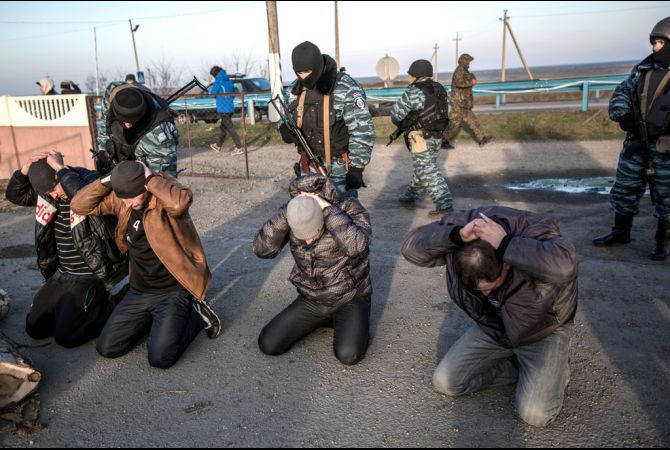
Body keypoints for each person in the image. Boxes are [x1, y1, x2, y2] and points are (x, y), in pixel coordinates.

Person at [402, 206, 578, 427]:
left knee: (536, 415)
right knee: (446, 382)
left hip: (543, 329)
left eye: (490, 287)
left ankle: (556, 372)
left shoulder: (532, 228)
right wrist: (455, 235)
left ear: (505, 263)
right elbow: (411, 250)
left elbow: (565, 266)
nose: (485, 294)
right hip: (496, 327)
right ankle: (521, 370)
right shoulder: (466, 226)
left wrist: (506, 244)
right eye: (479, 291)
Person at [70, 160, 221, 368]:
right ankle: (156, 323)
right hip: (138, 291)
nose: (128, 203)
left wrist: (151, 178)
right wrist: (107, 180)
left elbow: (180, 203)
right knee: (107, 348)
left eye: (132, 197)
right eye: (123, 198)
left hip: (172, 291)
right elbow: (78, 205)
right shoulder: (123, 200)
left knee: (160, 358)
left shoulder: (163, 198)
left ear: (144, 186)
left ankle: (196, 316)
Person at [4, 151, 126, 348]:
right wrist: (27, 167)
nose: (52, 195)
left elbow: (82, 196)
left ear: (60, 174)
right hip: (62, 274)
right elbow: (14, 195)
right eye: (47, 193)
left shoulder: (88, 181)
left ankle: (114, 300)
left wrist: (62, 170)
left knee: (68, 336)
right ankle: (73, 307)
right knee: (35, 328)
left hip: (90, 273)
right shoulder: (48, 192)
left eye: (54, 189)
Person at [253, 174, 372, 365]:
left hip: (349, 298)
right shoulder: (294, 211)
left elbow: (357, 246)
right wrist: (287, 213)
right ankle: (323, 319)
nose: (307, 241)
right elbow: (262, 250)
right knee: (269, 344)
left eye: (313, 234)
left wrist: (328, 209)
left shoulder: (348, 207)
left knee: (348, 355)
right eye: (302, 236)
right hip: (312, 299)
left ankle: (347, 321)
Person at [592, 17, 670, 261]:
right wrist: (622, 114)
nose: (654, 48)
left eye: (659, 42)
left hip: (666, 147)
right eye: (653, 42)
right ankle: (620, 231)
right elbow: (621, 92)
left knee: (666, 195)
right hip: (636, 142)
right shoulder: (643, 69)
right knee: (625, 188)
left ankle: (663, 242)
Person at [279, 41, 375, 198]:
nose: (303, 77)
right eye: (299, 73)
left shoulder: (345, 88)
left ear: (317, 65)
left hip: (339, 170)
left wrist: (357, 168)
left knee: (340, 218)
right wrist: (283, 128)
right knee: (308, 217)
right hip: (307, 167)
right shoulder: (295, 90)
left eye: (307, 72)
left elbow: (362, 129)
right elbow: (285, 117)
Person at [391, 59, 454, 217]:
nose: (408, 78)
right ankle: (410, 196)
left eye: (410, 75)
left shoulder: (414, 91)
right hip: (437, 136)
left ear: (416, 75)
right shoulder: (440, 89)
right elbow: (448, 109)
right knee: (423, 167)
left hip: (419, 137)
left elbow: (396, 114)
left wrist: (403, 122)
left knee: (427, 169)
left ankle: (444, 204)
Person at [100, 84, 180, 177]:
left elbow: (164, 183)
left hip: (138, 181)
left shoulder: (160, 138)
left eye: (133, 121)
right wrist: (103, 148)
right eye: (124, 120)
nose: (128, 126)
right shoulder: (113, 93)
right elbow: (105, 122)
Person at [442, 54, 492, 149]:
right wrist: (471, 82)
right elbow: (459, 83)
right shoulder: (459, 71)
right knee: (454, 123)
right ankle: (443, 141)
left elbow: (471, 79)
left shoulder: (465, 71)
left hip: (464, 102)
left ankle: (481, 139)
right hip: (458, 103)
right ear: (463, 61)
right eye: (468, 61)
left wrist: (472, 79)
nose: (469, 63)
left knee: (473, 121)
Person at [208, 66, 244, 156]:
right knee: (223, 128)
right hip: (230, 107)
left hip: (223, 109)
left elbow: (212, 94)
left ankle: (239, 147)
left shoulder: (218, 82)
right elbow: (233, 94)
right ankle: (218, 146)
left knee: (231, 129)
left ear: (214, 74)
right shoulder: (229, 81)